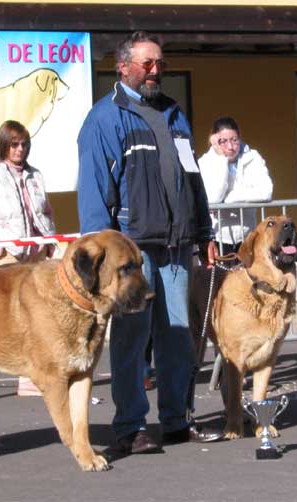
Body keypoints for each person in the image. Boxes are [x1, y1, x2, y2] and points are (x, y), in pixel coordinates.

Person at [77, 31, 222, 455]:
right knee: (132, 341)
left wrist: (204, 232)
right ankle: (130, 427)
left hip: (176, 247)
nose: (157, 71)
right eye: (147, 64)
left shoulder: (174, 114)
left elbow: (191, 178)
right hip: (130, 252)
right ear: (123, 67)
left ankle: (177, 421)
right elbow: (94, 189)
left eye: (161, 63)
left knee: (178, 338)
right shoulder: (103, 119)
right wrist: (100, 256)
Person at [0, 120, 56, 402]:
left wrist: (50, 240)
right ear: (3, 145)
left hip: (35, 258)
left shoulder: (36, 175)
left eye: (24, 144)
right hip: (5, 256)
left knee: (32, 320)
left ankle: (27, 378)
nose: (20, 149)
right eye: (14, 144)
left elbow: (46, 212)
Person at [198, 117, 273, 257]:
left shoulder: (252, 157)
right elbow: (214, 198)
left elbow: (266, 192)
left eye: (234, 140)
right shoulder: (205, 162)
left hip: (247, 235)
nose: (230, 146)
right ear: (214, 141)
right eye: (223, 141)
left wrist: (231, 198)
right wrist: (222, 159)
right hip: (218, 236)